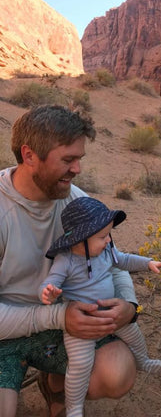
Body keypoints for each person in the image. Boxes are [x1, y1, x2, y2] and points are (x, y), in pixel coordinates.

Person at [0, 105, 141, 417]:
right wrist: (58, 317)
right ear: (29, 155)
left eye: (79, 159)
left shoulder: (75, 201)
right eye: (67, 160)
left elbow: (112, 262)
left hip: (66, 325)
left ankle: (54, 382)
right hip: (6, 333)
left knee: (116, 374)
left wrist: (129, 306)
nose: (77, 169)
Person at [39, 196, 161, 417]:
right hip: (81, 324)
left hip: (111, 316)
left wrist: (148, 263)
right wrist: (48, 292)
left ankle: (143, 361)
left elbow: (124, 260)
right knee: (80, 366)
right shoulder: (66, 260)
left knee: (134, 334)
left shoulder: (106, 251)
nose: (109, 240)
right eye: (103, 236)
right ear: (80, 240)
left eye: (109, 234)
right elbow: (50, 282)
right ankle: (73, 408)